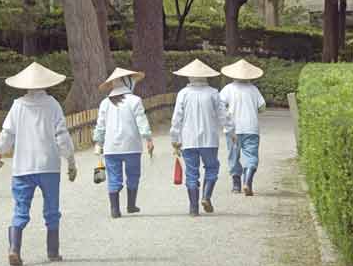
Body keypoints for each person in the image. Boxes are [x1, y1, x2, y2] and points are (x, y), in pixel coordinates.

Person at [0, 62, 77, 266]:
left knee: (21, 209)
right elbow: (62, 136)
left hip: (23, 166)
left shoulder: (18, 105)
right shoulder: (53, 104)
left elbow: (7, 134)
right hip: (49, 165)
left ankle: (14, 249)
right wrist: (71, 162)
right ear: (47, 84)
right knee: (51, 210)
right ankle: (53, 252)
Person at [170, 59, 235, 216]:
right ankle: (206, 196)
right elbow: (223, 115)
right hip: (209, 140)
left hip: (188, 140)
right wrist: (230, 130)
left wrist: (175, 138)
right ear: (206, 77)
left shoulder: (183, 94)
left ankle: (193, 209)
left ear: (189, 77)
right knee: (212, 168)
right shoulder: (213, 93)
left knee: (191, 173)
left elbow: (177, 118)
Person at [93, 68, 154, 219]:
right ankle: (131, 205)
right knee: (133, 175)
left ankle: (115, 209)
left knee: (114, 177)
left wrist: (98, 142)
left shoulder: (105, 103)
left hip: (111, 148)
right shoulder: (135, 100)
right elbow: (141, 121)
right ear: (128, 82)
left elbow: (100, 126)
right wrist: (148, 139)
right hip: (132, 146)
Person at [220, 59, 266, 196]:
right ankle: (248, 181)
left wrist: (227, 115)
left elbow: (219, 105)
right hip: (251, 128)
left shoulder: (228, 89)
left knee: (233, 156)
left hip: (233, 129)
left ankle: (236, 185)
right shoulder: (254, 89)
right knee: (251, 155)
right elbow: (262, 107)